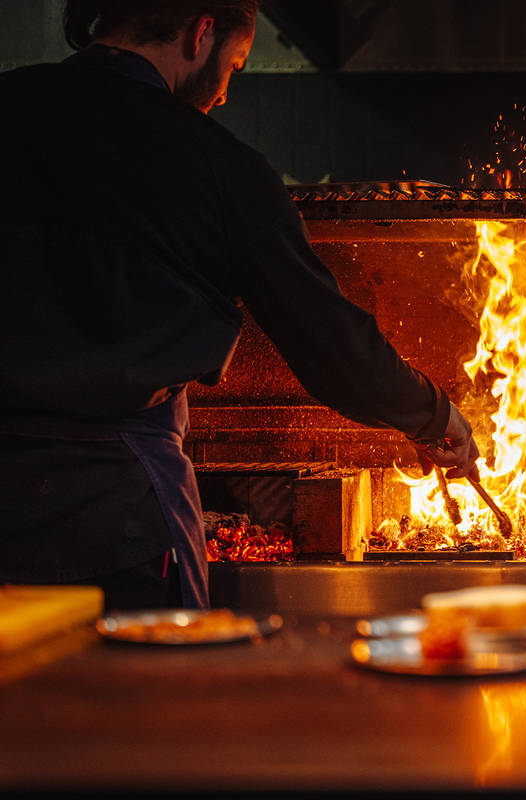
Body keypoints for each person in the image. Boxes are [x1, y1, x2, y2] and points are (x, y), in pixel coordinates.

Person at [0, 0, 480, 610]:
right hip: (115, 520)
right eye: (236, 65)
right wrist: (435, 416)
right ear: (202, 33)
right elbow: (331, 344)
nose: (225, 93)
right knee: (135, 704)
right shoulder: (218, 166)